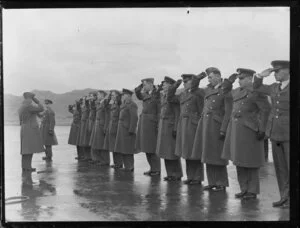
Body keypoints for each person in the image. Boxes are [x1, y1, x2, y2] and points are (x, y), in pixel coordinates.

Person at [221, 68, 271, 200]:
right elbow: (224, 93)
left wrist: (262, 129)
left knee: (251, 161)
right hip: (236, 130)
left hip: (250, 130)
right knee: (239, 160)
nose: (239, 81)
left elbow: (265, 111)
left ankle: (252, 190)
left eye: (242, 78)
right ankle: (244, 189)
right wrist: (228, 81)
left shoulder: (257, 92)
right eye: (238, 78)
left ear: (250, 78)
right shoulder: (236, 91)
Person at [253, 60, 290, 208]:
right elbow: (257, 87)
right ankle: (285, 197)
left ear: (288, 70)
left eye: (278, 71)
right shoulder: (274, 87)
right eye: (273, 71)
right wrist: (260, 76)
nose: (275, 74)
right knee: (280, 168)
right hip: (275, 133)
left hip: (289, 133)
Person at [192, 67, 233, 191]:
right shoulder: (208, 90)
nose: (209, 79)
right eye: (208, 77)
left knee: (218, 155)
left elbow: (228, 112)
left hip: (217, 126)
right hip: (206, 125)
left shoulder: (225, 91)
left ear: (218, 76)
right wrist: (198, 78)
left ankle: (221, 182)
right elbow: (194, 89)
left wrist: (223, 129)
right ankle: (212, 181)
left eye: (210, 77)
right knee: (208, 154)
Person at [167, 74, 206, 185]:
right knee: (187, 152)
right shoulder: (183, 94)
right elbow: (170, 98)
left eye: (186, 82)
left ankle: (197, 178)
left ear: (192, 82)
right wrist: (174, 86)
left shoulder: (198, 93)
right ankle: (190, 176)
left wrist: (199, 125)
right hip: (184, 125)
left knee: (195, 152)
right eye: (183, 82)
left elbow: (201, 110)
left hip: (193, 125)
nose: (184, 83)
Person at [155, 76, 183, 181]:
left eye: (165, 84)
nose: (163, 85)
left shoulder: (173, 98)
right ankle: (170, 173)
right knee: (165, 152)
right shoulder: (163, 96)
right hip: (163, 126)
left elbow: (177, 113)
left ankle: (177, 174)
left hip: (170, 126)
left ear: (171, 86)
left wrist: (176, 128)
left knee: (172, 152)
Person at [135, 78, 161, 176]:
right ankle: (152, 168)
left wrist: (158, 124)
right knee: (147, 148)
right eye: (143, 85)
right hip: (145, 124)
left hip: (152, 123)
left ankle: (157, 170)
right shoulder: (145, 94)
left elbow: (159, 110)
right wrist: (141, 85)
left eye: (145, 85)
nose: (144, 87)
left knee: (153, 149)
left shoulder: (157, 94)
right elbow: (137, 93)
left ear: (150, 84)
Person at [18, 92, 44, 171]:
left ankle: (25, 167)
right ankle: (27, 167)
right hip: (30, 129)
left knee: (25, 149)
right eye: (31, 98)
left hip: (24, 128)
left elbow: (36, 113)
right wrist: (37, 101)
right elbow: (41, 108)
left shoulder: (22, 107)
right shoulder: (29, 106)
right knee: (29, 149)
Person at [114, 89, 138, 171]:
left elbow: (134, 118)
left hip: (127, 129)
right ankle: (127, 166)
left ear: (128, 95)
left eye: (124, 95)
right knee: (123, 148)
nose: (122, 96)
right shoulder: (124, 104)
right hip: (122, 129)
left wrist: (132, 129)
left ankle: (130, 166)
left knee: (128, 149)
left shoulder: (132, 105)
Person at [89, 90, 110, 166]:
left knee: (102, 143)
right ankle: (99, 159)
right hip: (97, 124)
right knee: (97, 143)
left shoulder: (105, 103)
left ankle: (105, 160)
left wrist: (105, 126)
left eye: (98, 95)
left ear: (102, 95)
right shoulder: (99, 103)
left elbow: (107, 115)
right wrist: (91, 101)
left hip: (102, 124)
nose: (97, 96)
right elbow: (93, 108)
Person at [103, 90, 123, 169]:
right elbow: (105, 106)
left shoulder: (119, 104)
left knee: (117, 146)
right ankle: (116, 163)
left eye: (113, 95)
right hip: (111, 126)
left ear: (117, 96)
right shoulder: (112, 104)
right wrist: (108, 97)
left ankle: (119, 163)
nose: (112, 96)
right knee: (113, 146)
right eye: (111, 95)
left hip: (116, 126)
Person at [77, 96, 90, 161]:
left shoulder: (87, 106)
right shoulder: (83, 107)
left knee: (86, 140)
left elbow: (89, 107)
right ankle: (85, 156)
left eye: (84, 100)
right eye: (83, 100)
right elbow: (79, 111)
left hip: (86, 124)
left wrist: (87, 101)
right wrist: (78, 104)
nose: (83, 101)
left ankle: (88, 156)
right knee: (83, 140)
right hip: (82, 124)